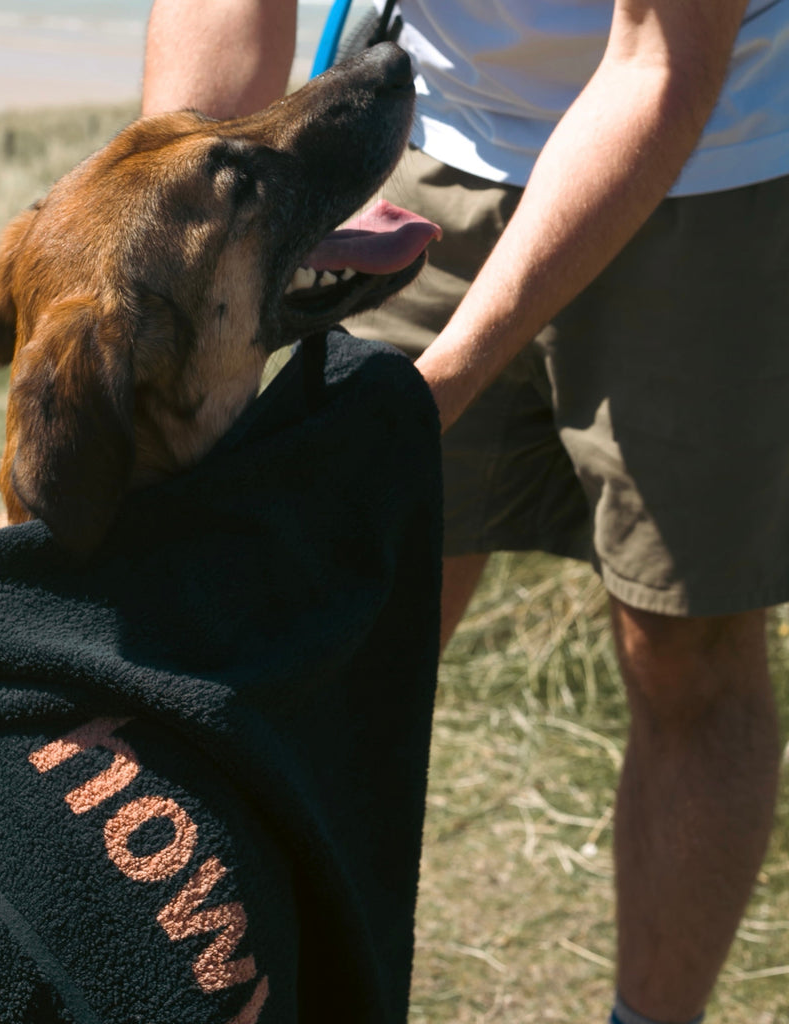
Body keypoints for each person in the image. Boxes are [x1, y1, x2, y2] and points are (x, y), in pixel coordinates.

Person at [141, 2, 789, 1022]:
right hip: (422, 151)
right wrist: (175, 253)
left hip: (716, 159)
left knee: (686, 648)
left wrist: (427, 395)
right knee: (335, 642)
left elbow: (659, 63)